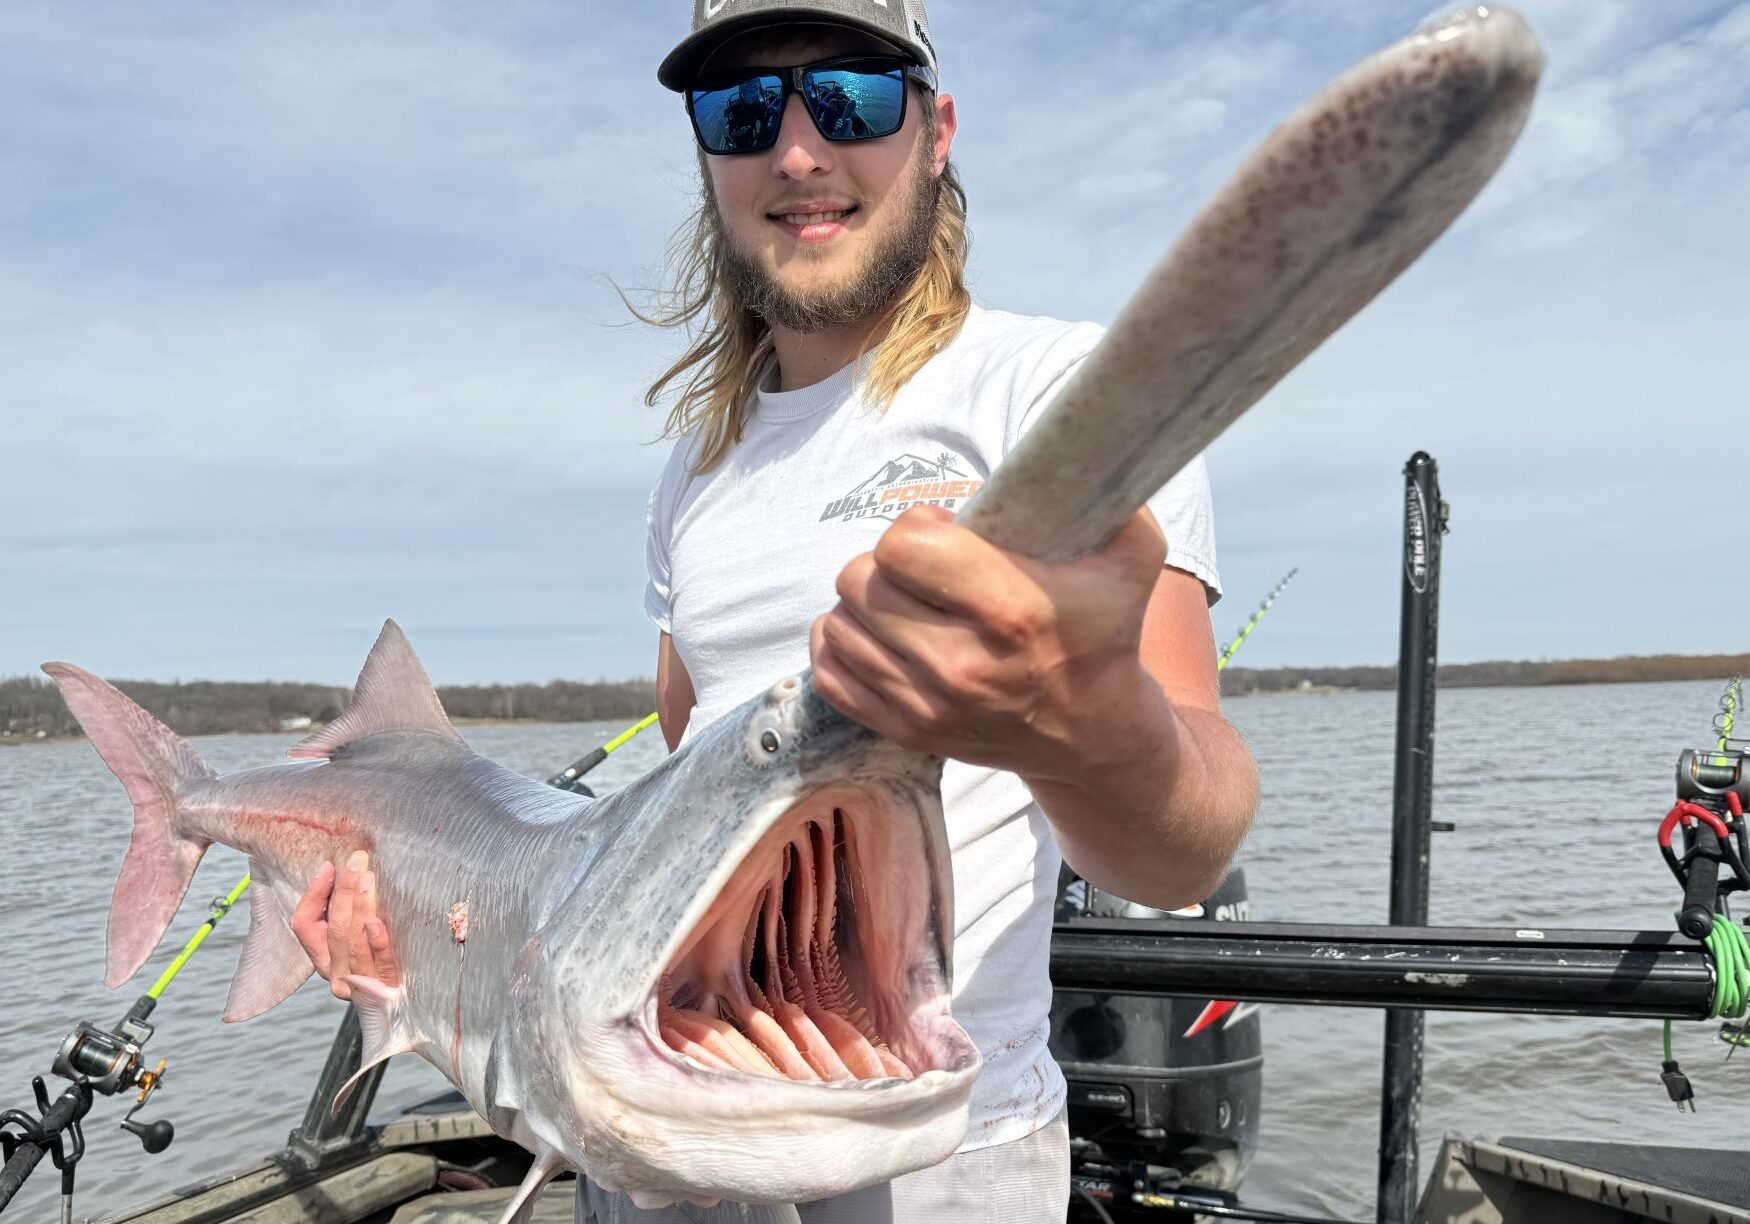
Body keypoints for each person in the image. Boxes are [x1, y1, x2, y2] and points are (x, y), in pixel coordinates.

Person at [289, 2, 1259, 1220]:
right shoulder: (695, 476)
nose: (797, 152)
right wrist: (421, 970)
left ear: (938, 126)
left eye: (848, 96)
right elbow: (677, 814)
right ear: (708, 160)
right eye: (742, 110)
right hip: (654, 1135)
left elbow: (1186, 851)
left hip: (935, 1146)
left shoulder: (1059, 395)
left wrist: (1076, 723)